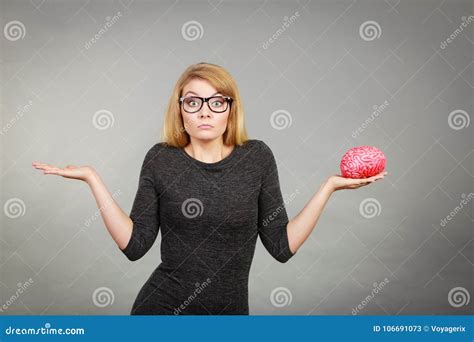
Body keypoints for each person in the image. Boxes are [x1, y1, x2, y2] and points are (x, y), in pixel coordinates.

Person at [32, 62, 387, 315]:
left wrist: (328, 187)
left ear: (230, 111)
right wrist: (94, 179)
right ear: (181, 111)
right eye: (193, 101)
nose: (205, 112)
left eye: (217, 102)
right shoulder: (160, 159)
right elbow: (135, 246)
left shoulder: (257, 158)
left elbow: (281, 246)